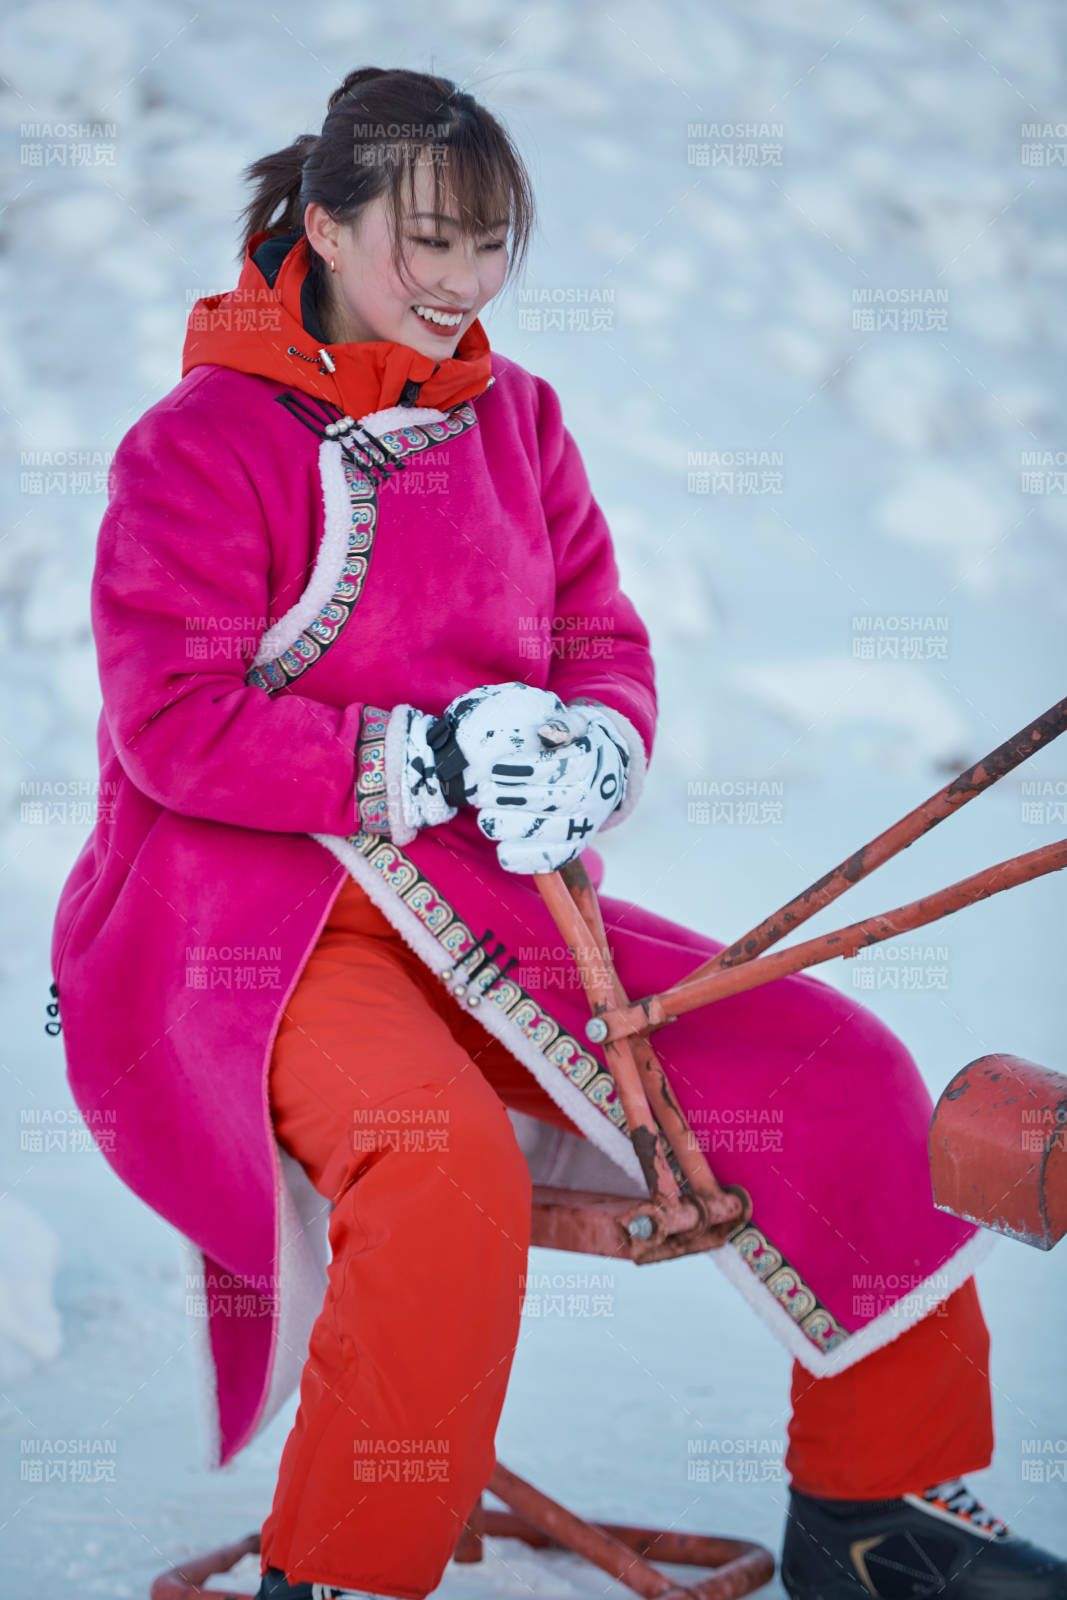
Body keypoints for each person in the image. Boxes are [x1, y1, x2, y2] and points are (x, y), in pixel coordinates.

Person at [50, 66, 1066, 1600]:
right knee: (437, 1163)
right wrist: (423, 753)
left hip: (493, 907)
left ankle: (884, 1516)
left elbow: (600, 636)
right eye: (428, 243)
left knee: (838, 1066)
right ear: (324, 224)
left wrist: (600, 743)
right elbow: (171, 723)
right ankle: (341, 1572)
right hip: (243, 929)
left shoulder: (517, 420)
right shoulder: (197, 444)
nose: (464, 285)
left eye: (491, 247)